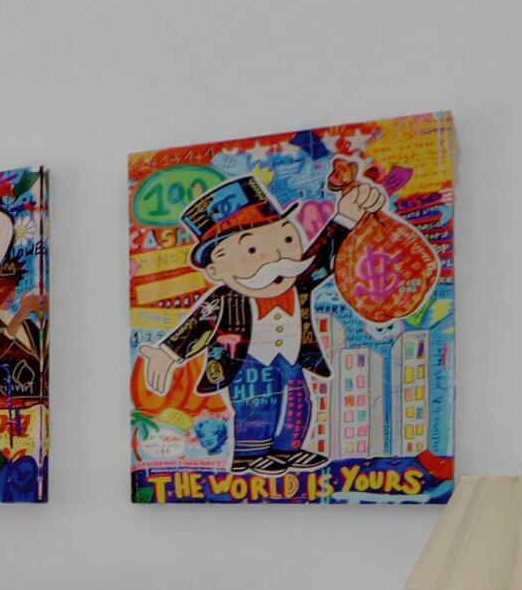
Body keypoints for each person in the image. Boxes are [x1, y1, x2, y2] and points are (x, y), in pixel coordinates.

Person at [137, 170, 387, 470]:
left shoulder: (298, 281)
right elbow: (198, 326)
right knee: (255, 406)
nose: (277, 255)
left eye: (286, 237)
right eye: (253, 249)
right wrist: (168, 353)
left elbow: (323, 258)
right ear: (216, 271)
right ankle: (249, 454)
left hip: (292, 357)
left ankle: (288, 449)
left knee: (297, 401)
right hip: (246, 362)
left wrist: (345, 217)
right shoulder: (225, 299)